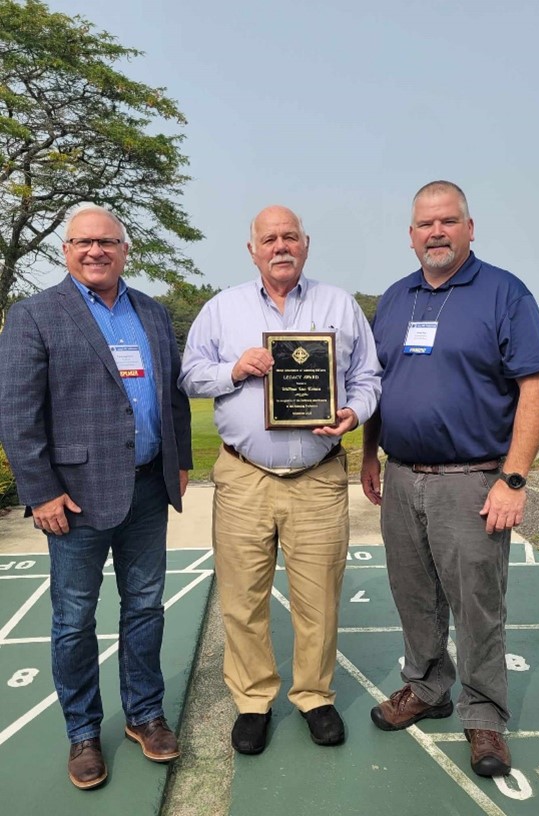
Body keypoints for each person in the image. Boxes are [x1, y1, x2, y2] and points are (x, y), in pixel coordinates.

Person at [361, 181, 539, 777]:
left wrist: (513, 480)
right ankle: (426, 688)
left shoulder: (504, 293)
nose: (435, 233)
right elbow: (376, 383)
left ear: (470, 227)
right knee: (415, 598)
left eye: (447, 221)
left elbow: (536, 387)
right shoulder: (395, 299)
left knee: (477, 606)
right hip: (401, 476)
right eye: (425, 224)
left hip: (472, 480)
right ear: (411, 235)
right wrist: (369, 452)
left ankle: (486, 717)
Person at [0, 205, 192, 790]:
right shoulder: (34, 315)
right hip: (75, 499)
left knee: (144, 607)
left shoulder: (153, 314)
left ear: (124, 249)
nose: (95, 251)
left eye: (107, 241)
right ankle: (83, 732)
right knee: (74, 620)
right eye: (83, 242)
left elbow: (174, 396)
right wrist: (42, 492)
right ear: (66, 250)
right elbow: (17, 414)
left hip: (145, 490)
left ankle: (144, 715)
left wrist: (180, 461)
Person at [179, 205, 381, 754]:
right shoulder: (222, 309)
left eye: (289, 236)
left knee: (319, 598)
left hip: (318, 477)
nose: (280, 246)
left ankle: (314, 695)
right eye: (269, 238)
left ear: (306, 244)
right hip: (244, 478)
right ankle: (252, 700)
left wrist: (354, 414)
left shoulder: (340, 305)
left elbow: (367, 376)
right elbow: (190, 374)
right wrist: (234, 370)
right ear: (252, 249)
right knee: (242, 597)